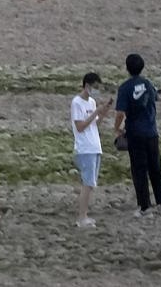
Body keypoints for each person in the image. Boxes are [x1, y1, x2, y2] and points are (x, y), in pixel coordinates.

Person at [114, 51, 161, 217]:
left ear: (127, 68)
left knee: (139, 170)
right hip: (152, 132)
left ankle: (145, 206)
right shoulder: (148, 84)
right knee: (155, 169)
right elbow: (158, 98)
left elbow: (120, 112)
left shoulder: (125, 87)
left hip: (135, 133)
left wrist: (117, 128)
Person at [71, 71, 107, 227]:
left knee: (90, 183)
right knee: (88, 183)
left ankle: (84, 215)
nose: (96, 90)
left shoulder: (92, 102)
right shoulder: (77, 102)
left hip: (94, 146)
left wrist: (102, 112)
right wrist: (96, 112)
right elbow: (80, 126)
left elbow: (94, 124)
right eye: (95, 87)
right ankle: (82, 217)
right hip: (85, 148)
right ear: (87, 86)